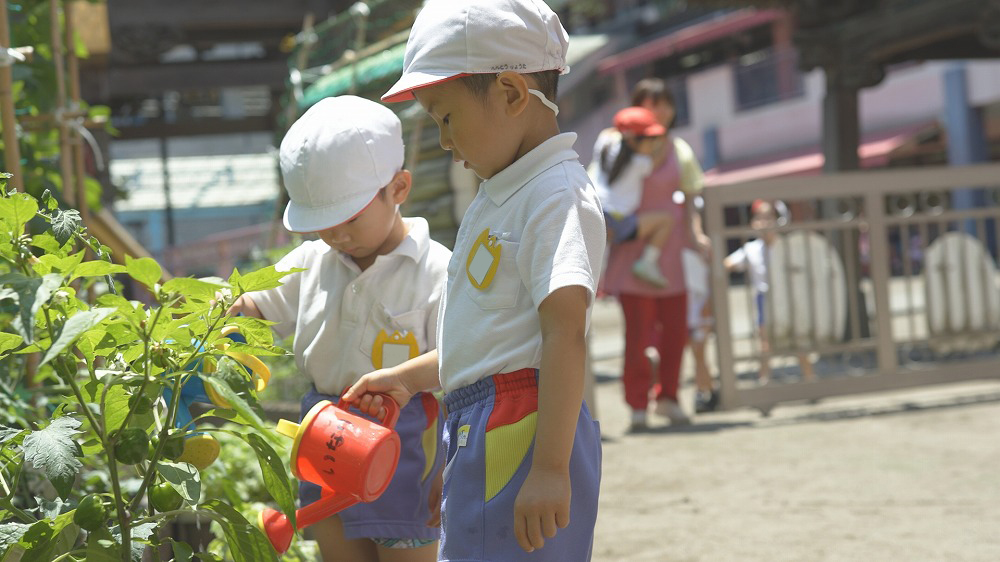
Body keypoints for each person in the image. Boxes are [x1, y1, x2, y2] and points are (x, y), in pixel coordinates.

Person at [342, 1, 606, 560]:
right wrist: (411, 379)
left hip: (522, 424)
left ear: (511, 94)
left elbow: (564, 334)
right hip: (485, 423)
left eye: (445, 117)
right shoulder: (504, 192)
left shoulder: (555, 196)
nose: (443, 141)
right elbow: (492, 339)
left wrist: (551, 468)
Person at [226, 96, 450, 562]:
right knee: (337, 545)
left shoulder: (437, 270)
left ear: (399, 187)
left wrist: (452, 464)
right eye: (323, 224)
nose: (337, 235)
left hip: (404, 443)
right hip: (324, 435)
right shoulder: (313, 262)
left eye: (350, 218)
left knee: (407, 548)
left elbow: (460, 358)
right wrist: (224, 311)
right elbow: (254, 304)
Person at [600, 78, 710, 432]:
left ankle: (669, 397)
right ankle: (636, 404)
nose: (659, 109)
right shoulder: (615, 142)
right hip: (630, 252)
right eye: (650, 102)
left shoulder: (680, 150)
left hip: (669, 253)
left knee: (676, 331)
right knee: (637, 335)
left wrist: (697, 234)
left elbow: (692, 197)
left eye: (664, 103)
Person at [724, 199, 815, 385]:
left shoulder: (786, 245)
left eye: (769, 217)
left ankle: (809, 377)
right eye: (760, 218)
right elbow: (728, 264)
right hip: (764, 298)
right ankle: (764, 379)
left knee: (797, 338)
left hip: (787, 295)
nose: (765, 222)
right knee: (765, 342)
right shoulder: (751, 249)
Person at [591, 106, 676, 288]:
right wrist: (665, 142)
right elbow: (656, 163)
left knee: (596, 260)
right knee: (666, 221)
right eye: (650, 140)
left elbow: (609, 131)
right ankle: (648, 262)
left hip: (595, 211)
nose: (653, 144)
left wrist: (623, 127)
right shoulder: (641, 162)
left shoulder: (605, 144)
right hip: (618, 220)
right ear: (632, 140)